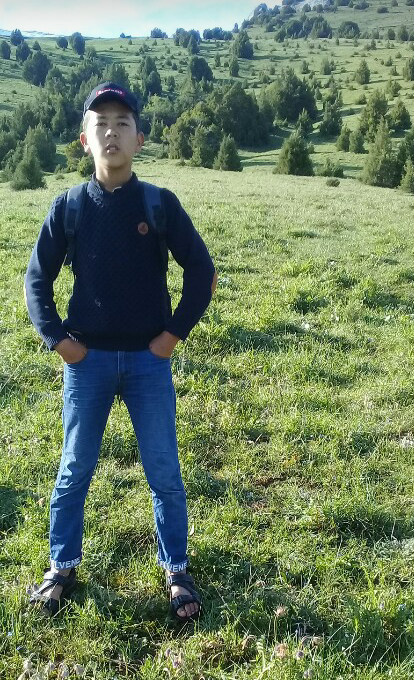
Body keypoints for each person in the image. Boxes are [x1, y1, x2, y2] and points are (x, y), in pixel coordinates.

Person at [23, 82, 217, 622]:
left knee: (164, 471)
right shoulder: (69, 207)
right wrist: (59, 341)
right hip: (88, 363)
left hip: (149, 364)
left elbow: (201, 271)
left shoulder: (159, 204)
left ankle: (176, 570)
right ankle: (61, 566)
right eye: (101, 123)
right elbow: (36, 280)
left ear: (139, 139)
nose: (112, 132)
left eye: (122, 123)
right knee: (74, 469)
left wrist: (172, 335)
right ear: (85, 139)